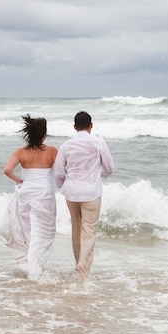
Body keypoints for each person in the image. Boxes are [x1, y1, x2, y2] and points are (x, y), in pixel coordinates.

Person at [54, 111, 114, 281]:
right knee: (89, 232)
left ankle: (81, 270)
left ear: (74, 127)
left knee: (76, 230)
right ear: (91, 125)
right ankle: (83, 265)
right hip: (91, 192)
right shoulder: (98, 142)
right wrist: (95, 175)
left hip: (71, 192)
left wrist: (66, 187)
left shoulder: (66, 145)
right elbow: (109, 168)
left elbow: (59, 172)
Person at [0, 115, 58, 275]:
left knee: (26, 227)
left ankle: (28, 261)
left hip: (27, 191)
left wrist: (18, 180)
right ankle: (36, 262)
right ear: (44, 134)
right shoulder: (52, 151)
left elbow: (7, 170)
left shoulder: (20, 152)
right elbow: (61, 171)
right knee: (43, 228)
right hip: (44, 193)